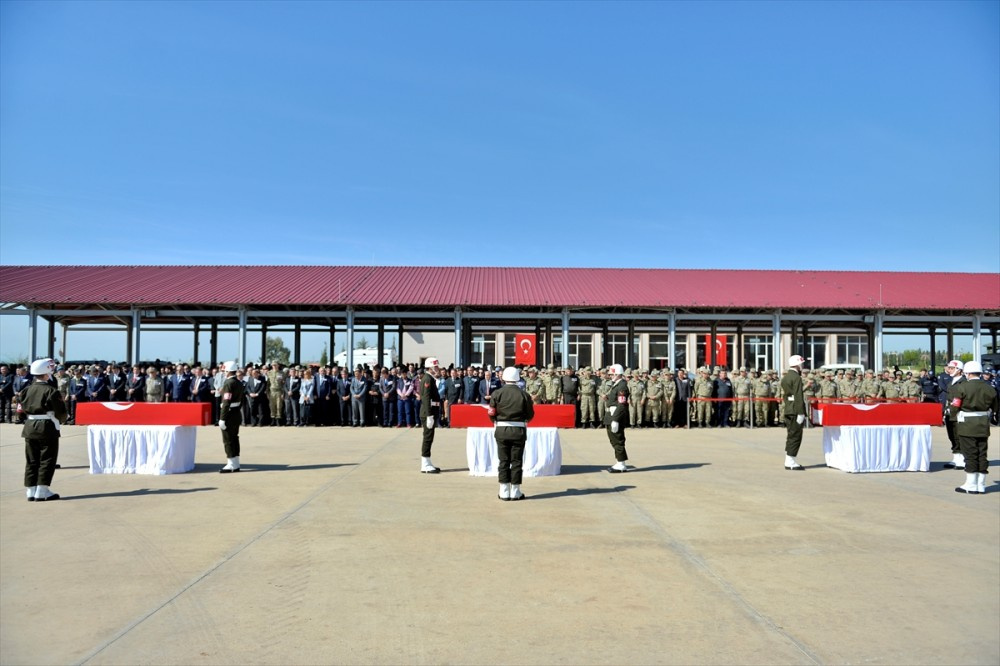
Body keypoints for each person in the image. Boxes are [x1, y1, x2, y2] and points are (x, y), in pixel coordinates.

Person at [21, 358, 68, 501]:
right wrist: (62, 418)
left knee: (32, 459)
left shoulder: (26, 390)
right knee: (47, 459)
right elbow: (61, 412)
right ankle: (42, 490)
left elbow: (22, 408)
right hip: (47, 427)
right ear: (46, 374)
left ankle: (31, 490)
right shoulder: (51, 391)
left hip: (29, 427)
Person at [950, 361, 998, 494]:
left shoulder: (962, 387)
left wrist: (953, 415)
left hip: (967, 424)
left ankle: (971, 484)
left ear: (967, 373)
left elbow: (955, 406)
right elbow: (995, 407)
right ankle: (981, 484)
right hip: (983, 424)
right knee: (982, 453)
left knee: (970, 453)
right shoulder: (990, 388)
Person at [489, 367, 535, 501]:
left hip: (502, 430)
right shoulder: (524, 395)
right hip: (518, 431)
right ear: (517, 378)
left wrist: (496, 421)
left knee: (503, 460)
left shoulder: (497, 393)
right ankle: (515, 491)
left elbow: (491, 413)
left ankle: (504, 490)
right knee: (516, 461)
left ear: (504, 378)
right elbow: (530, 414)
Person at [781, 355, 808, 470]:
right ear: (797, 365)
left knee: (791, 435)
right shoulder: (796, 377)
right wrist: (801, 412)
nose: (801, 366)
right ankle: (790, 461)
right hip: (795, 410)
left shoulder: (786, 377)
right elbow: (798, 395)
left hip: (788, 409)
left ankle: (789, 459)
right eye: (801, 364)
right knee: (796, 435)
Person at [602, 363, 631, 472]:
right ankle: (619, 461)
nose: (611, 376)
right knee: (613, 439)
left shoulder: (622, 386)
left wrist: (615, 419)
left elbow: (621, 404)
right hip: (611, 414)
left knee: (618, 439)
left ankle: (621, 463)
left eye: (612, 374)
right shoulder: (616, 384)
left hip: (616, 416)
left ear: (618, 374)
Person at [218, 361, 245, 473]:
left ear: (229, 371)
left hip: (228, 414)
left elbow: (226, 401)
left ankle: (231, 463)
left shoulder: (228, 383)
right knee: (235, 438)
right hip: (236, 413)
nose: (224, 373)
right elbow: (241, 400)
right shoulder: (239, 382)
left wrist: (222, 418)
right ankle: (236, 463)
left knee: (228, 439)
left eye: (225, 371)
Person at [941, 360, 967, 469]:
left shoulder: (964, 382)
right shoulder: (950, 382)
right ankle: (956, 458)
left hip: (958, 412)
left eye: (952, 368)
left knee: (959, 435)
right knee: (951, 435)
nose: (949, 370)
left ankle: (962, 459)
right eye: (949, 368)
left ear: (959, 370)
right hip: (949, 411)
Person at [418, 358, 443, 473]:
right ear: (430, 368)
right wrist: (429, 415)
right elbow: (426, 398)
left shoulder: (430, 379)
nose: (437, 369)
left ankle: (427, 461)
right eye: (436, 367)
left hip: (431, 411)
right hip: (428, 413)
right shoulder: (427, 379)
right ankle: (425, 464)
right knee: (427, 438)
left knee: (429, 437)